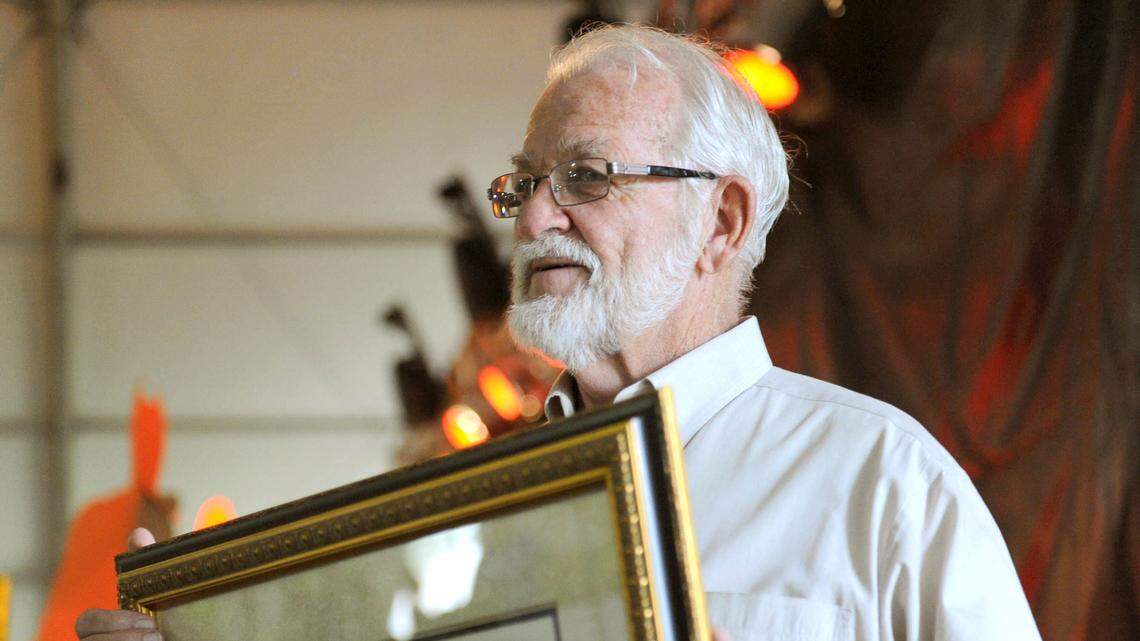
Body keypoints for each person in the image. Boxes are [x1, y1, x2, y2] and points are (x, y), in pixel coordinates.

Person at [77, 24, 1041, 641]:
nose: (535, 218)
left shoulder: (882, 486)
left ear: (723, 220)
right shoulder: (462, 524)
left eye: (585, 177)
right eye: (522, 184)